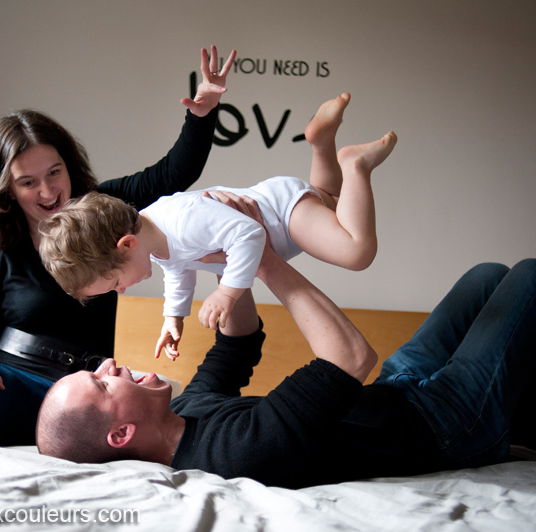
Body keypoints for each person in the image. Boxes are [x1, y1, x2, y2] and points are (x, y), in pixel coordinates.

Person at [36, 208, 536, 488]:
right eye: (101, 382)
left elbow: (236, 342)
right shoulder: (231, 454)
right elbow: (352, 357)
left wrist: (224, 250)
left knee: (488, 275)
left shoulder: (186, 411)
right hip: (441, 427)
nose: (110, 364)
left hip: (396, 397)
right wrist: (265, 259)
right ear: (120, 436)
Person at [0, 45, 237, 448]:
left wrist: (202, 112)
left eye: (55, 172)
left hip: (81, 398)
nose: (49, 190)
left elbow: (174, 173)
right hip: (10, 378)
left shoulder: (103, 210)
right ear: (6, 189)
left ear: (69, 165)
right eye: (28, 182)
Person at [39, 93, 397, 359]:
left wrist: (227, 292)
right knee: (332, 200)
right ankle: (322, 143)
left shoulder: (182, 221)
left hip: (282, 212)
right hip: (283, 212)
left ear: (126, 245)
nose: (121, 291)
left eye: (115, 283)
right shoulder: (155, 238)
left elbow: (249, 234)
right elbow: (179, 273)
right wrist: (173, 318)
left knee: (356, 252)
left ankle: (355, 165)